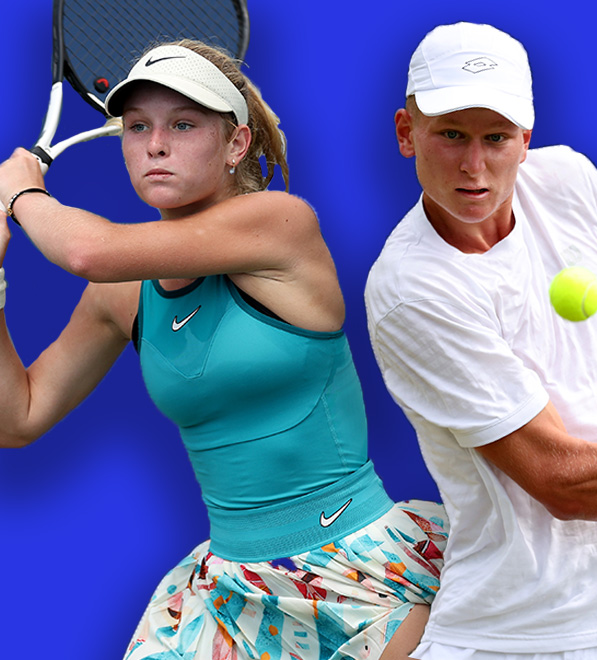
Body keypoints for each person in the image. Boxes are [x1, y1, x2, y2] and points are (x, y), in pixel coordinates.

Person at [0, 39, 446, 660]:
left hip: (360, 572)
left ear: (236, 144)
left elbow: (86, 251)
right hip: (227, 592)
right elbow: (19, 417)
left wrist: (22, 194)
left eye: (183, 125)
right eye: (138, 127)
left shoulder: (280, 225)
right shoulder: (120, 294)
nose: (156, 144)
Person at [364, 21, 597, 660]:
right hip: (529, 630)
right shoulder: (411, 289)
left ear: (526, 137)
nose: (474, 166)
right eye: (451, 134)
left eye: (495, 137)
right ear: (407, 133)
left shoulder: (571, 181)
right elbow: (563, 480)